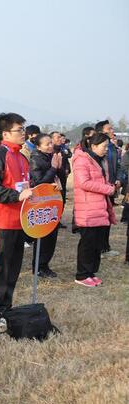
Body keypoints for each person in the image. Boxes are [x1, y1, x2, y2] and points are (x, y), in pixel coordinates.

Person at [0, 113, 33, 328]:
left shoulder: (22, 157)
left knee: (13, 267)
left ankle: (6, 305)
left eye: (23, 129)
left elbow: (25, 187)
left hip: (19, 221)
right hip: (0, 222)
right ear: (4, 134)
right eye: (19, 130)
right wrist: (17, 195)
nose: (23, 133)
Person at [72, 133, 116, 287]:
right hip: (88, 209)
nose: (106, 149)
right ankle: (82, 275)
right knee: (87, 244)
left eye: (107, 146)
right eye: (104, 146)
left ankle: (91, 273)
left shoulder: (98, 159)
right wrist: (108, 189)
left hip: (99, 208)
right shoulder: (82, 159)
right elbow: (84, 182)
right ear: (94, 146)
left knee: (97, 244)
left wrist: (110, 186)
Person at [29, 134, 63, 278]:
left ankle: (44, 265)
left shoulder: (50, 157)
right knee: (44, 236)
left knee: (51, 235)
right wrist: (54, 168)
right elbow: (39, 182)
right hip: (42, 203)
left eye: (50, 143)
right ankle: (39, 267)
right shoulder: (35, 159)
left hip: (52, 200)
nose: (50, 146)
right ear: (38, 147)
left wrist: (58, 167)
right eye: (46, 144)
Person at [95, 120, 121, 257]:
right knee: (99, 220)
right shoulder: (94, 148)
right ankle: (98, 248)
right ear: (101, 131)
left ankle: (105, 247)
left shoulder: (112, 147)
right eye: (109, 129)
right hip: (100, 188)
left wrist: (118, 179)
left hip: (111, 186)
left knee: (107, 218)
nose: (112, 131)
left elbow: (117, 164)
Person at [50, 131, 72, 210]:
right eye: (58, 137)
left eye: (61, 137)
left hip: (62, 179)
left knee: (62, 201)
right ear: (51, 139)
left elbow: (66, 162)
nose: (60, 139)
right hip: (53, 182)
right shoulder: (49, 152)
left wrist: (67, 169)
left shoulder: (62, 150)